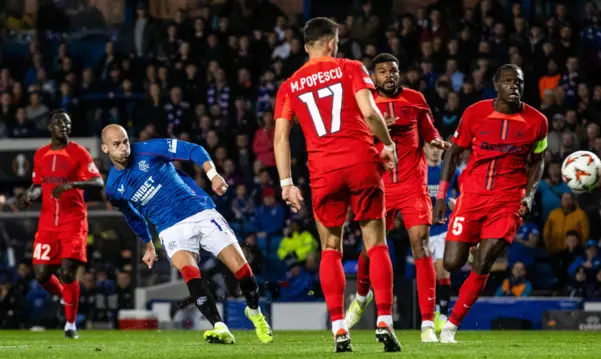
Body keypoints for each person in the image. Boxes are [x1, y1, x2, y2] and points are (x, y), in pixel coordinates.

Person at [273, 17, 400, 352]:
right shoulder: (350, 67)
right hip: (360, 163)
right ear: (332, 42)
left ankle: (340, 328)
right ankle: (384, 320)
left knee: (330, 247)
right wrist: (387, 144)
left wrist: (287, 182)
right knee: (376, 243)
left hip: (323, 171)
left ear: (306, 46)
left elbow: (280, 138)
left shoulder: (290, 85)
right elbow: (371, 114)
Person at [101, 124, 272, 345]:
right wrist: (148, 243)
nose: (124, 147)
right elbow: (132, 216)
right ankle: (220, 327)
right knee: (190, 272)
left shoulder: (149, 149)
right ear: (105, 149)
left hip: (199, 211)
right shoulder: (114, 188)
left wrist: (213, 175)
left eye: (125, 141)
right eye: (117, 144)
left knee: (243, 270)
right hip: (170, 228)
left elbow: (194, 150)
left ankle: (255, 312)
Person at [433, 64, 548, 343]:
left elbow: (538, 161)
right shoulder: (475, 113)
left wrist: (528, 196)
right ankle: (471, 245)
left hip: (508, 200)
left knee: (484, 262)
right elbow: (453, 153)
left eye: (518, 82)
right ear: (496, 85)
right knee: (451, 263)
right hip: (471, 197)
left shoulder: (538, 121)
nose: (514, 87)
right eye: (508, 82)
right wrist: (441, 196)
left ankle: (451, 326)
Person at [344, 53, 450, 343]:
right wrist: (378, 130)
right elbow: (355, 142)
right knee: (371, 248)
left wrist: (437, 140)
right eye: (382, 71)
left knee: (422, 245)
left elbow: (429, 132)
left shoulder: (415, 99)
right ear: (373, 77)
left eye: (393, 70)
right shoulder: (365, 103)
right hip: (378, 185)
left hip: (413, 184)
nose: (388, 75)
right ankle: (363, 295)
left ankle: (428, 323)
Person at [18, 111, 104, 339]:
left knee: (67, 273)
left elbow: (98, 180)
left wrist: (70, 185)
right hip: (47, 223)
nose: (64, 126)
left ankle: (70, 324)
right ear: (50, 127)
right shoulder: (40, 154)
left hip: (73, 221)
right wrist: (30, 194)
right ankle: (62, 298)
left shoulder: (79, 152)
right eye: (59, 123)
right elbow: (38, 184)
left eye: (67, 122)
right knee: (41, 274)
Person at [425, 142, 459, 333]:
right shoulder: (420, 170)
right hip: (424, 229)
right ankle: (433, 312)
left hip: (444, 228)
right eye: (431, 146)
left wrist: (457, 202)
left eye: (438, 147)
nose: (435, 150)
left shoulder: (449, 170)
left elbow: (464, 189)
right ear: (425, 149)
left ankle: (444, 315)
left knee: (443, 271)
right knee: (429, 275)